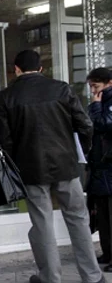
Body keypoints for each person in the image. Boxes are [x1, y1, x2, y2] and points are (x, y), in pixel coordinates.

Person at [0, 50, 104, 283]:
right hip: (66, 165)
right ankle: (93, 277)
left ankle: (50, 278)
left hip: (31, 169)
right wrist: (80, 153)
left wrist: (17, 166)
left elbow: (5, 140)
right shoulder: (61, 89)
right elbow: (85, 125)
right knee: (78, 219)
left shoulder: (6, 96)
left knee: (42, 223)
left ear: (16, 69)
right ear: (41, 68)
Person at [85, 67, 112, 269]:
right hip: (100, 166)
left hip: (109, 165)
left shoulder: (105, 104)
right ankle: (107, 252)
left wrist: (95, 106)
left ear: (108, 83)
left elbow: (102, 124)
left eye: (96, 86)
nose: (93, 91)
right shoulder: (100, 102)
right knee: (102, 215)